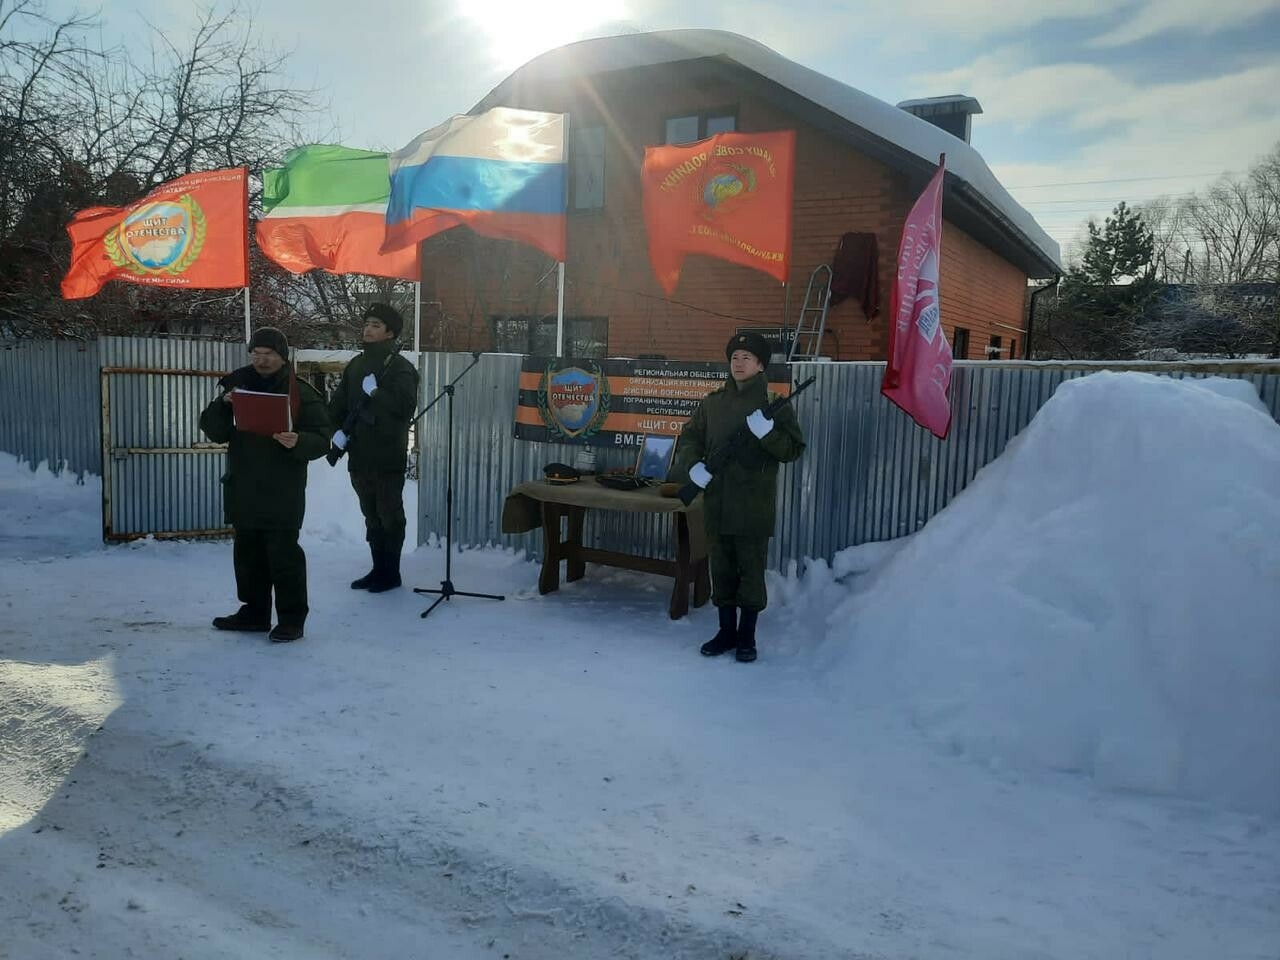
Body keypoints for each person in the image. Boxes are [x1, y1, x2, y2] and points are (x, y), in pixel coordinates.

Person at [671, 332, 806, 662]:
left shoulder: (773, 407)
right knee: (722, 570)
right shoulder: (712, 403)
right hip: (717, 503)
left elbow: (792, 450)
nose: (738, 362)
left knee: (750, 573)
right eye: (734, 356)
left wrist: (768, 434)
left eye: (747, 357)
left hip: (752, 507)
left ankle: (747, 636)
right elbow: (689, 438)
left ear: (761, 365)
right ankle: (725, 631)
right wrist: (694, 466)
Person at [199, 327, 331, 643]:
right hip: (244, 486)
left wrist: (300, 440)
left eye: (268, 354)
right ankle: (254, 613)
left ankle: (291, 619)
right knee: (248, 557)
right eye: (256, 353)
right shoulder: (236, 386)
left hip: (282, 490)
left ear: (282, 357)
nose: (261, 360)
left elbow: (324, 438)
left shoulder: (300, 392)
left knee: (284, 557)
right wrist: (223, 405)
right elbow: (214, 430)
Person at [327, 302, 420, 592]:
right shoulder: (356, 365)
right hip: (359, 453)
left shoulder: (401, 368)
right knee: (371, 515)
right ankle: (377, 569)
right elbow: (338, 405)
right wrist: (337, 433)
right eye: (367, 323)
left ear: (390, 332)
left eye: (376, 325)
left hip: (387, 455)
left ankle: (391, 573)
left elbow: (404, 408)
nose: (368, 329)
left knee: (390, 514)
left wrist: (377, 393)